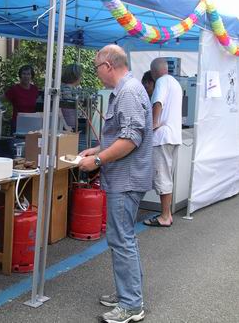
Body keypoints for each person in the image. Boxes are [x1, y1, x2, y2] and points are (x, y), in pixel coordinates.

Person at [78, 44, 152, 323]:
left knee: (122, 240)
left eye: (97, 68)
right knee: (123, 238)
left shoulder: (129, 92)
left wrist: (97, 162)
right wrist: (97, 150)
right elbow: (121, 136)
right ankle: (128, 294)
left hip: (126, 178)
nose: (97, 74)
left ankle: (131, 304)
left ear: (108, 66)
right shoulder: (127, 90)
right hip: (125, 176)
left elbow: (131, 139)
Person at [143, 58, 182, 227]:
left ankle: (165, 216)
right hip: (173, 136)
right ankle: (167, 214)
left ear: (153, 73)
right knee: (166, 175)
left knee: (162, 176)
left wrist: (153, 123)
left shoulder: (162, 82)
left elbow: (158, 102)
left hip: (162, 138)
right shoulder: (175, 83)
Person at [4, 64, 39, 132]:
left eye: (28, 74)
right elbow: (1, 100)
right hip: (17, 124)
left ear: (31, 76)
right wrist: (3, 115)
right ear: (20, 75)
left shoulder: (35, 89)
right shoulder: (14, 89)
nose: (26, 76)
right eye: (24, 74)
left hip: (31, 124)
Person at [60, 64, 82, 131]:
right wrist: (65, 126)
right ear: (75, 76)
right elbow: (59, 110)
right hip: (66, 128)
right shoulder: (66, 90)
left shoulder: (72, 89)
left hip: (71, 126)